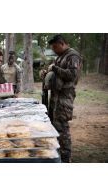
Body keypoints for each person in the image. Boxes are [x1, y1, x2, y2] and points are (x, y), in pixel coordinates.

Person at [41, 34, 82, 163]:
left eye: (55, 47)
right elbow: (56, 76)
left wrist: (54, 68)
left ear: (62, 43)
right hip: (56, 97)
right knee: (54, 125)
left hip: (64, 98)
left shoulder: (72, 56)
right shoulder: (61, 57)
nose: (53, 50)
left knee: (62, 128)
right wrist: (46, 73)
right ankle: (57, 154)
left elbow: (72, 75)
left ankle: (65, 157)